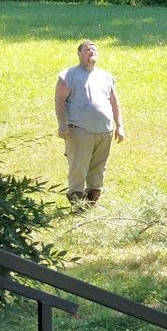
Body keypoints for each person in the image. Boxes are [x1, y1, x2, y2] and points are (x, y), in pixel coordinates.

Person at [54, 39, 125, 208]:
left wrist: (120, 126)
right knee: (78, 168)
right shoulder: (68, 75)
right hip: (79, 130)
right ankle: (77, 206)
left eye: (94, 50)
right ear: (79, 54)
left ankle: (91, 204)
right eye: (87, 50)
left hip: (105, 130)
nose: (92, 52)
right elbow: (59, 101)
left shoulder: (106, 76)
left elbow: (115, 103)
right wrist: (62, 125)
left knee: (98, 169)